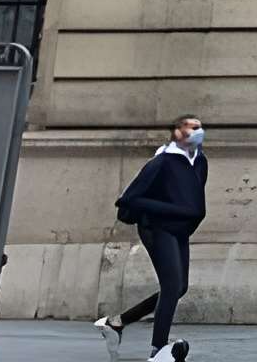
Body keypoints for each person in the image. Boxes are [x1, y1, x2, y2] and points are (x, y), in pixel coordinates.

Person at [96, 115, 208, 357]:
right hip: (156, 228)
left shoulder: (200, 162)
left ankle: (116, 323)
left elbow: (195, 199)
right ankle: (158, 349)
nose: (198, 133)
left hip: (178, 229)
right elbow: (130, 199)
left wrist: (186, 220)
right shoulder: (161, 162)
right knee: (171, 285)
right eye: (192, 128)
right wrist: (168, 212)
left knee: (180, 287)